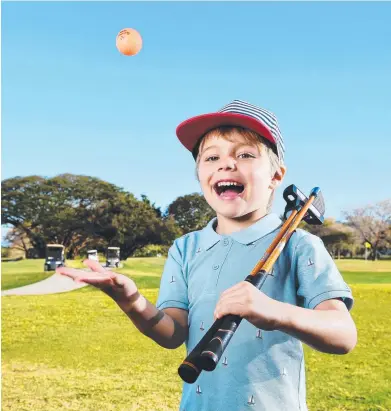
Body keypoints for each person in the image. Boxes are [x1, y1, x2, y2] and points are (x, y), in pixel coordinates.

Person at [57, 99, 357, 411]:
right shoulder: (184, 248)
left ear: (276, 176)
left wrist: (275, 312)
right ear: (200, 174)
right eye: (211, 157)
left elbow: (343, 334)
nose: (226, 164)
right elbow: (172, 334)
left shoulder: (298, 245)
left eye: (244, 154)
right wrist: (130, 300)